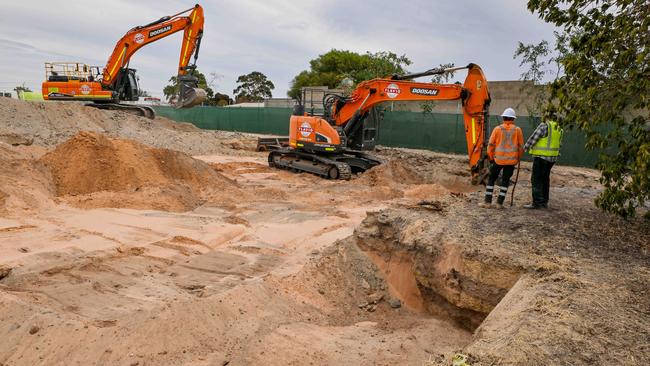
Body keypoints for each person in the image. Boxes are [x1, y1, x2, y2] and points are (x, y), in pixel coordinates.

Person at [479, 108, 524, 209]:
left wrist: (491, 158)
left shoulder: (497, 129)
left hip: (498, 160)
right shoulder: (517, 130)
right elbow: (521, 147)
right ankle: (499, 204)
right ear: (513, 119)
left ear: (503, 117)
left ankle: (487, 202)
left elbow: (490, 145)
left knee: (491, 179)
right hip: (511, 161)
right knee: (505, 181)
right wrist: (517, 159)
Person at [523, 119, 563, 209]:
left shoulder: (544, 126)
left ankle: (537, 203)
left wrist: (524, 148)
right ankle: (544, 202)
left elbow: (533, 138)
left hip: (541, 157)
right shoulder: (559, 128)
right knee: (545, 179)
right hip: (552, 159)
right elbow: (560, 144)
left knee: (536, 179)